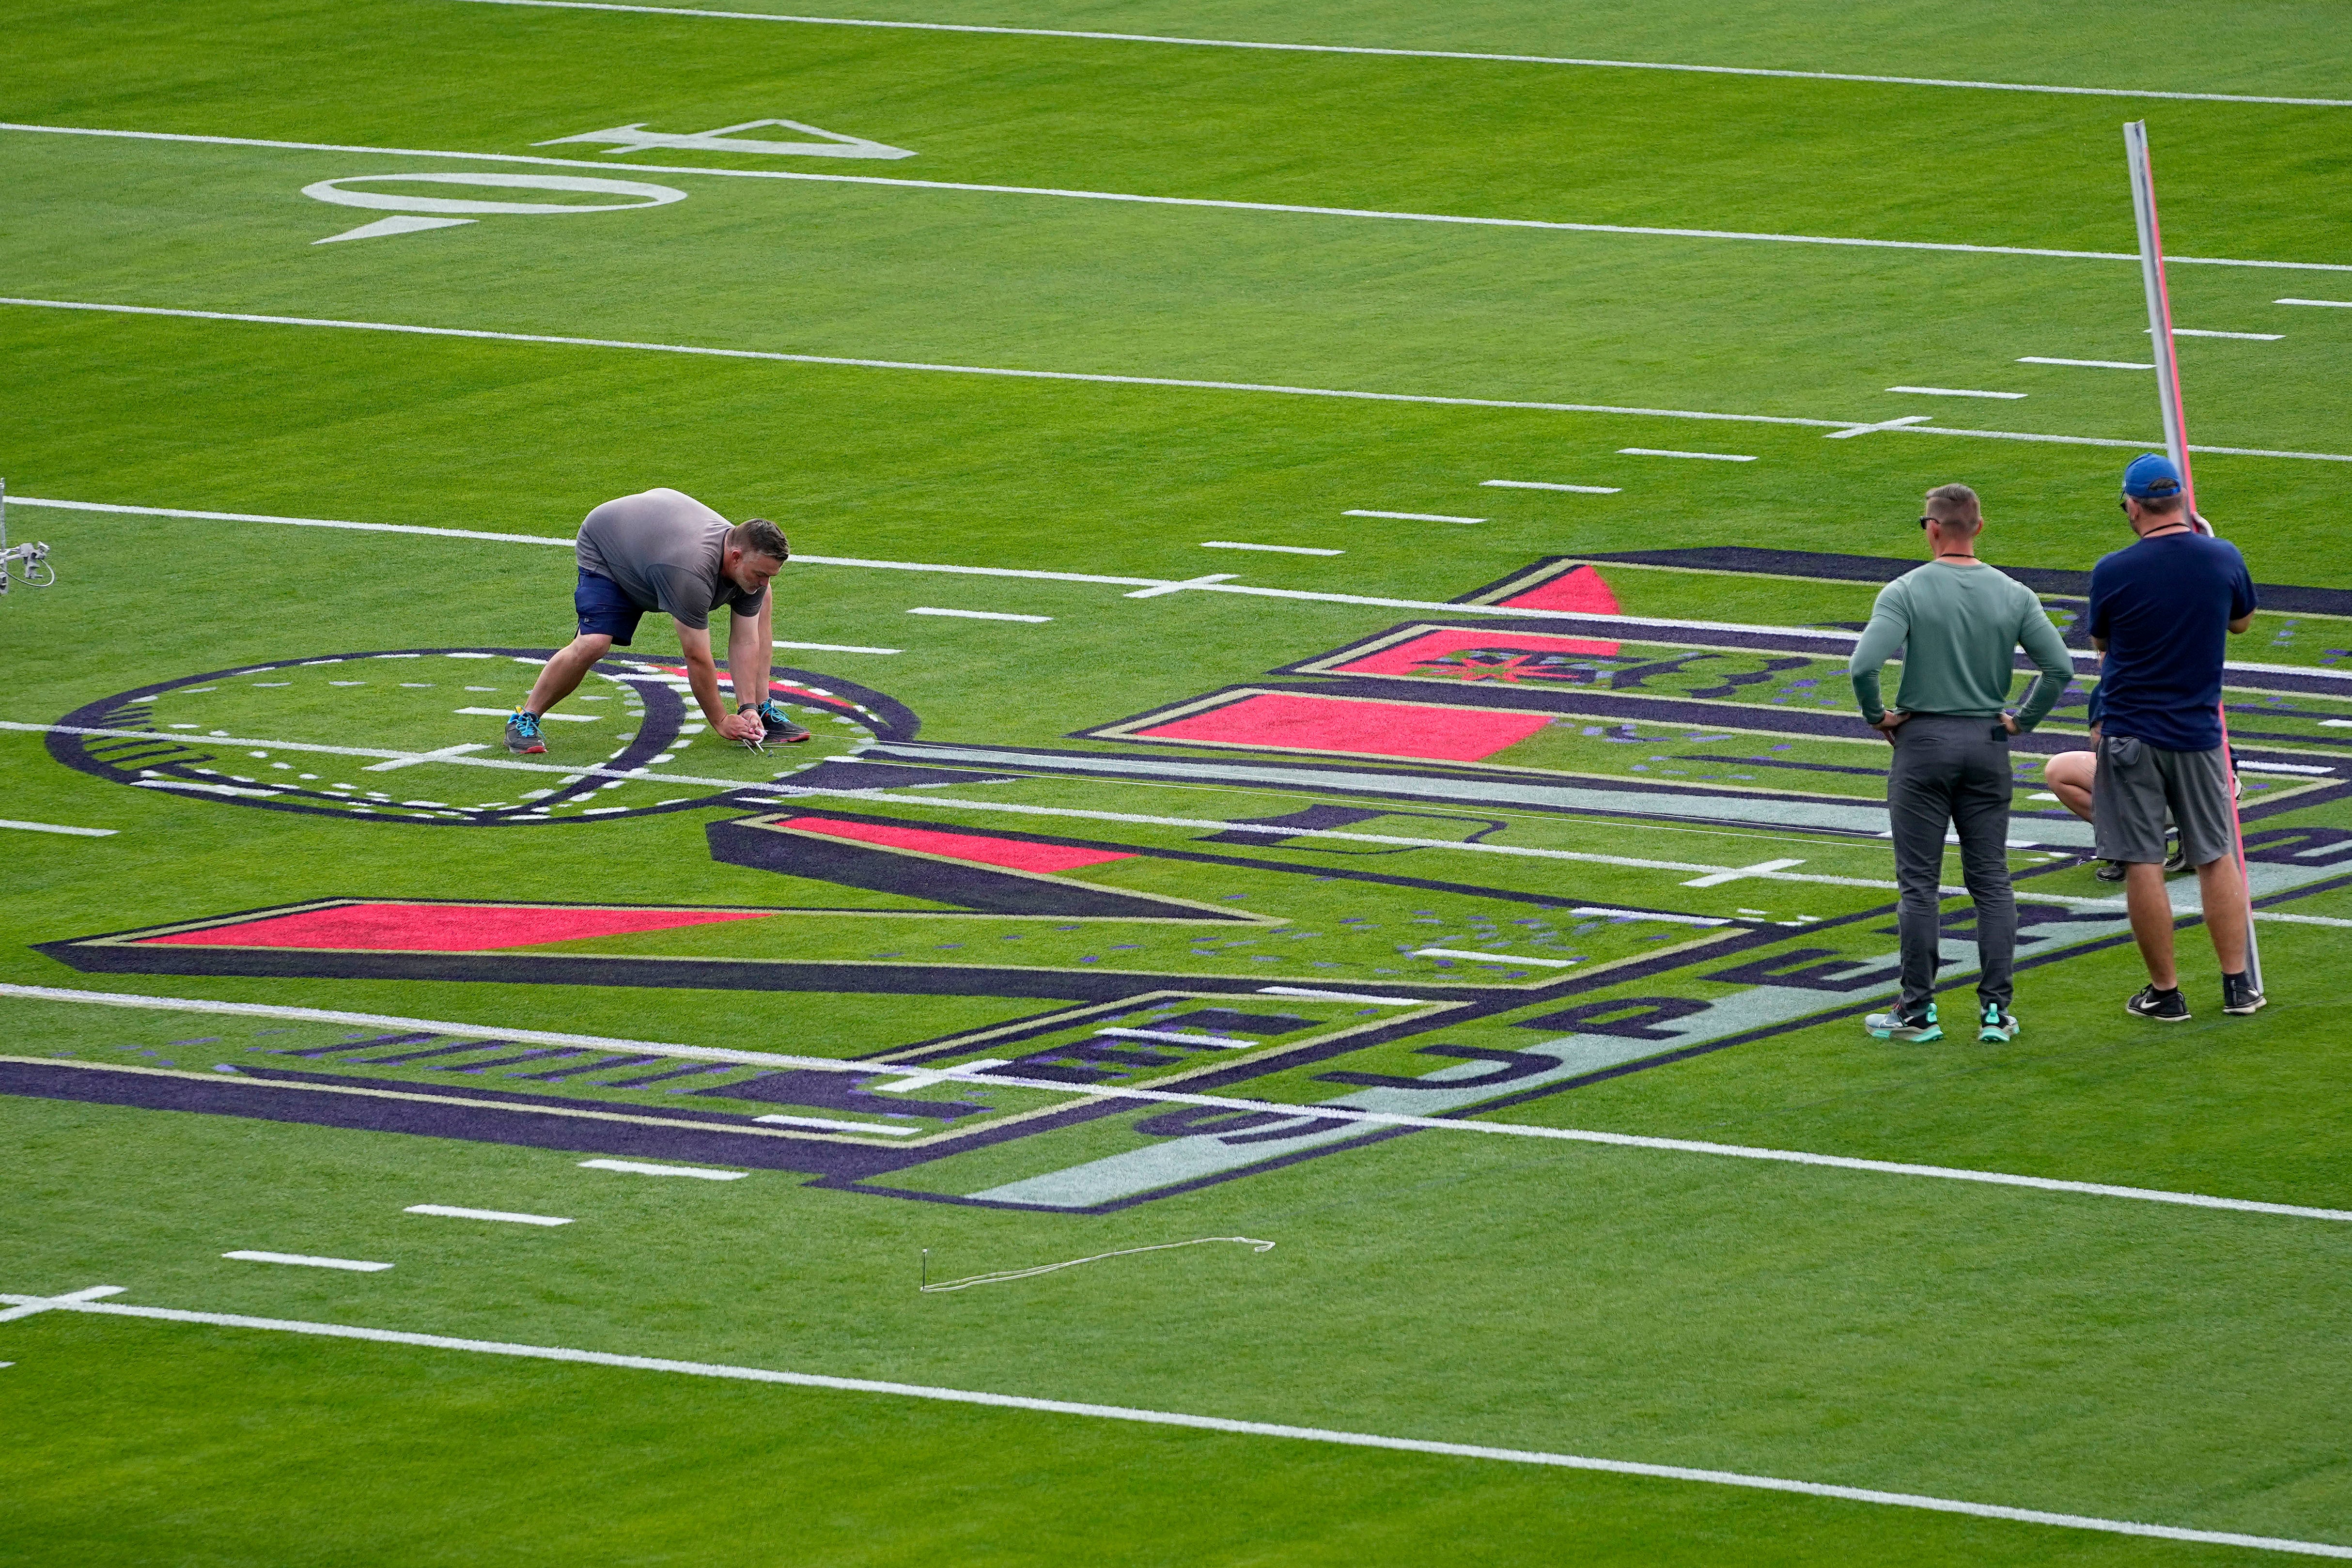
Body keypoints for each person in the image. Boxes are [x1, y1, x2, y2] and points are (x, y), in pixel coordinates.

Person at [1849, 483, 2074, 1044]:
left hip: (1922, 744)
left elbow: (1862, 666)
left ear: (1930, 527)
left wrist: (1879, 717)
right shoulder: (2014, 593)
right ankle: (1995, 1011)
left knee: (1920, 886)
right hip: (1987, 742)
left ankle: (1918, 1010)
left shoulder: (1904, 590)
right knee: (1992, 881)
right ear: (1978, 527)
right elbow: (2059, 669)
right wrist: (2022, 722)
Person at [2087, 454, 2261, 1021]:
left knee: (2142, 861)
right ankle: (2238, 985)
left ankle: (2165, 992)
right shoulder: (2222, 556)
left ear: (2133, 506)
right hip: (2197, 731)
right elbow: (2240, 621)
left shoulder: (2113, 570)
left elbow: (2103, 647)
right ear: (2183, 502)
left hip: (2132, 731)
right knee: (2215, 856)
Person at [505, 488, 811, 756]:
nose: (762, 581)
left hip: (653, 539)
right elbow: (697, 656)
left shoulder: (747, 565)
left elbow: (746, 640)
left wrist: (745, 708)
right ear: (734, 557)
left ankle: (761, 708)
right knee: (594, 643)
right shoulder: (691, 574)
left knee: (763, 597)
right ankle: (525, 718)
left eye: (770, 574)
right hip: (610, 548)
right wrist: (720, 721)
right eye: (760, 573)